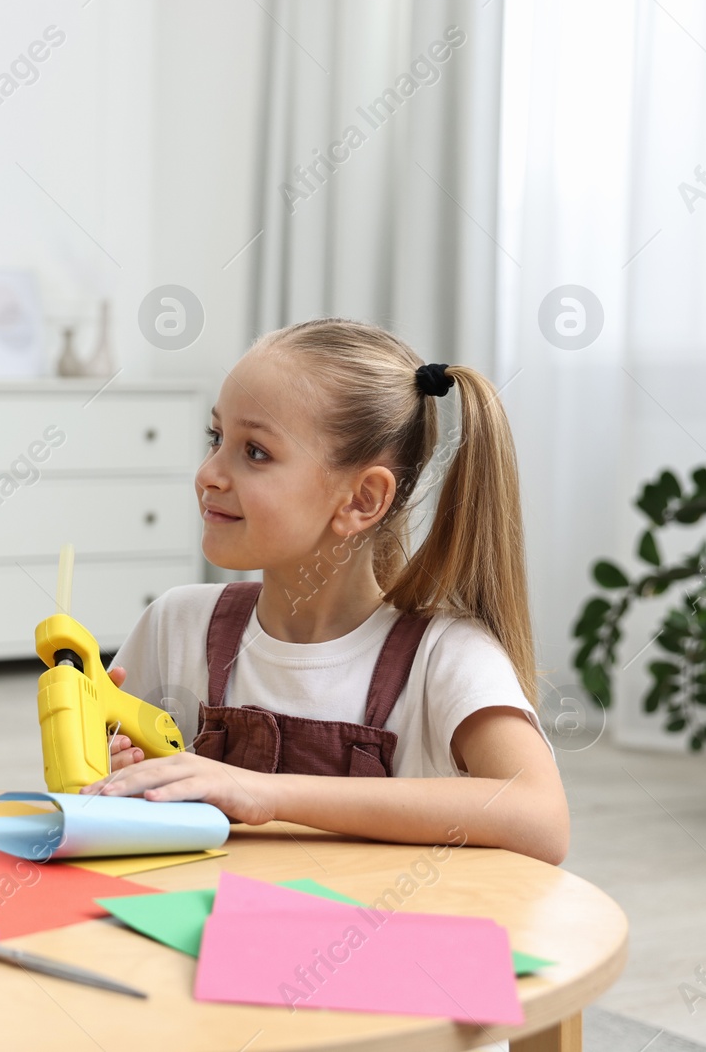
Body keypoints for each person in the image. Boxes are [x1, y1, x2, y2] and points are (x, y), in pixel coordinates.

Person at [85, 318, 570, 866]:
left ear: (362, 499)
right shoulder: (176, 624)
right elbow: (100, 803)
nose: (208, 474)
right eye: (216, 438)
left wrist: (262, 792)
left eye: (256, 452)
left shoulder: (445, 655)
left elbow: (540, 818)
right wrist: (114, 773)